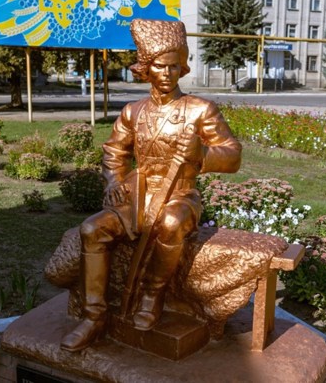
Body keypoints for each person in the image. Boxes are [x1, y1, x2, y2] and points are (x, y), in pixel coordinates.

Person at [60, 19, 242, 352]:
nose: (168, 73)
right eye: (160, 66)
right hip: (138, 196)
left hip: (180, 194)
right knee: (91, 229)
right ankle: (93, 316)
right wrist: (114, 180)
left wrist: (202, 153)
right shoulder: (133, 111)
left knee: (170, 223)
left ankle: (151, 294)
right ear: (146, 68)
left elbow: (233, 155)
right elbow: (114, 151)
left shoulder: (200, 110)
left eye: (175, 66)